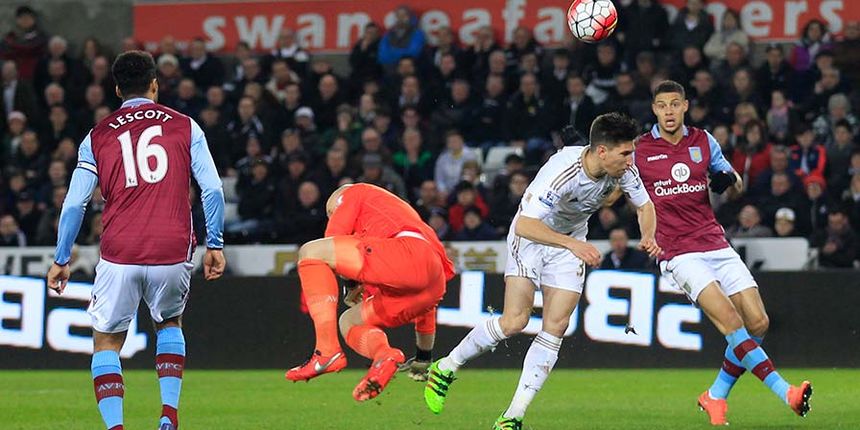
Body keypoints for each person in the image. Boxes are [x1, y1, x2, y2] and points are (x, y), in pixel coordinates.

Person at [424, 115, 660, 430]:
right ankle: (446, 367)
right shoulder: (561, 173)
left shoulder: (624, 170)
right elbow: (525, 224)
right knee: (515, 321)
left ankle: (512, 417)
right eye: (625, 153)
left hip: (570, 242)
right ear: (602, 151)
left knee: (555, 327)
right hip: (532, 238)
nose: (631, 160)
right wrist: (571, 245)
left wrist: (648, 236)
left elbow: (645, 206)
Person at [45, 51, 226, 430]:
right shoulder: (185, 127)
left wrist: (62, 257)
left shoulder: (97, 136)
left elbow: (75, 202)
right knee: (170, 323)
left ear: (116, 89)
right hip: (172, 249)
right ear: (155, 83)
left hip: (119, 251)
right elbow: (212, 189)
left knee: (107, 341)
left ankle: (116, 427)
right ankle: (169, 414)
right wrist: (216, 244)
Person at [634, 80, 812, 426]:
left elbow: (734, 181)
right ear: (654, 110)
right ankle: (786, 392)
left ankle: (715, 396)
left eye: (675, 104)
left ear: (686, 106)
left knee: (758, 322)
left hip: (715, 242)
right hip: (678, 252)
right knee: (731, 321)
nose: (669, 111)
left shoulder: (703, 140)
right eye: (661, 105)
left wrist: (727, 181)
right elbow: (622, 190)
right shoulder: (641, 150)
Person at [284, 183, 455, 403]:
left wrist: (351, 283)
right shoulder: (398, 220)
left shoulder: (355, 193)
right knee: (349, 322)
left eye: (331, 213)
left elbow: (332, 239)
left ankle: (326, 350)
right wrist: (424, 357)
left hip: (406, 256)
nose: (332, 217)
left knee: (311, 252)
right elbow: (426, 305)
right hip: (430, 286)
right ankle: (384, 355)